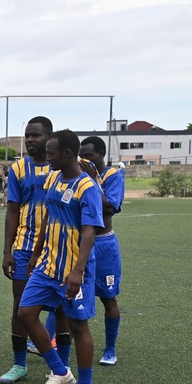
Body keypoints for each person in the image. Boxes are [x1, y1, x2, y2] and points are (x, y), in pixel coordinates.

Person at [18, 129, 103, 384]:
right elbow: (47, 219)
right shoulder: (53, 178)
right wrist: (36, 252)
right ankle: (60, 371)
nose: (47, 157)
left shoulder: (86, 187)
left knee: (79, 327)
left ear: (67, 154)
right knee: (26, 313)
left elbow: (89, 232)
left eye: (51, 153)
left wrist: (78, 271)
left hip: (73, 269)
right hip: (47, 264)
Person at [0, 116, 54, 384]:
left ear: (49, 136)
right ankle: (19, 364)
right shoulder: (19, 169)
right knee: (20, 306)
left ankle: (59, 366)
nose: (30, 140)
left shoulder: (62, 168)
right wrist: (7, 251)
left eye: (36, 135)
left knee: (60, 308)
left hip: (57, 248)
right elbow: (12, 211)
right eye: (27, 136)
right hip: (24, 247)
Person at [79, 136, 124, 366]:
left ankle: (110, 349)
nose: (85, 160)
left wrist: (94, 179)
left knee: (108, 298)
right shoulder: (79, 176)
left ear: (101, 154)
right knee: (69, 293)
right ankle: (52, 339)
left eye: (89, 156)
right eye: (82, 156)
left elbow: (109, 207)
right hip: (80, 243)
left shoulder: (112, 176)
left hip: (104, 244)